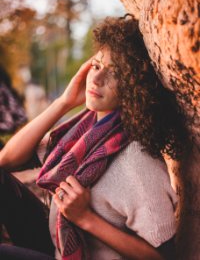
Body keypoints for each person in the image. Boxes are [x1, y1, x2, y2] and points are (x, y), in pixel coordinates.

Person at [0, 15, 189, 260]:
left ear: (136, 87)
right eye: (97, 66)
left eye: (115, 73)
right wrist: (63, 102)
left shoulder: (139, 164)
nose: (97, 79)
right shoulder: (83, 130)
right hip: (56, 244)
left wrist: (85, 218)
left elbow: (163, 258)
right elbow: (7, 160)